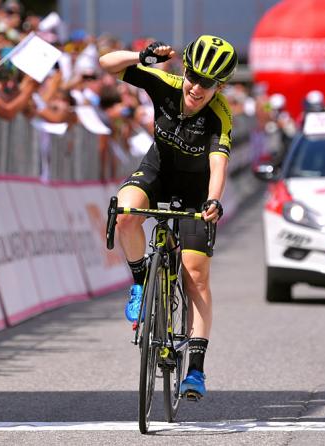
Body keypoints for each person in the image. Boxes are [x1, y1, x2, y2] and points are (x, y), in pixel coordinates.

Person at [99, 35, 237, 400]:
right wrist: (141, 57)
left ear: (218, 86)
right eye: (193, 76)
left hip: (197, 191)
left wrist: (213, 200)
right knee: (125, 213)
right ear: (185, 70)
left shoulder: (219, 114)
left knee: (195, 275)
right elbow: (105, 64)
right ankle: (141, 281)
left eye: (207, 83)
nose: (196, 87)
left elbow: (218, 163)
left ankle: (195, 368)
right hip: (158, 172)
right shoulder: (167, 84)